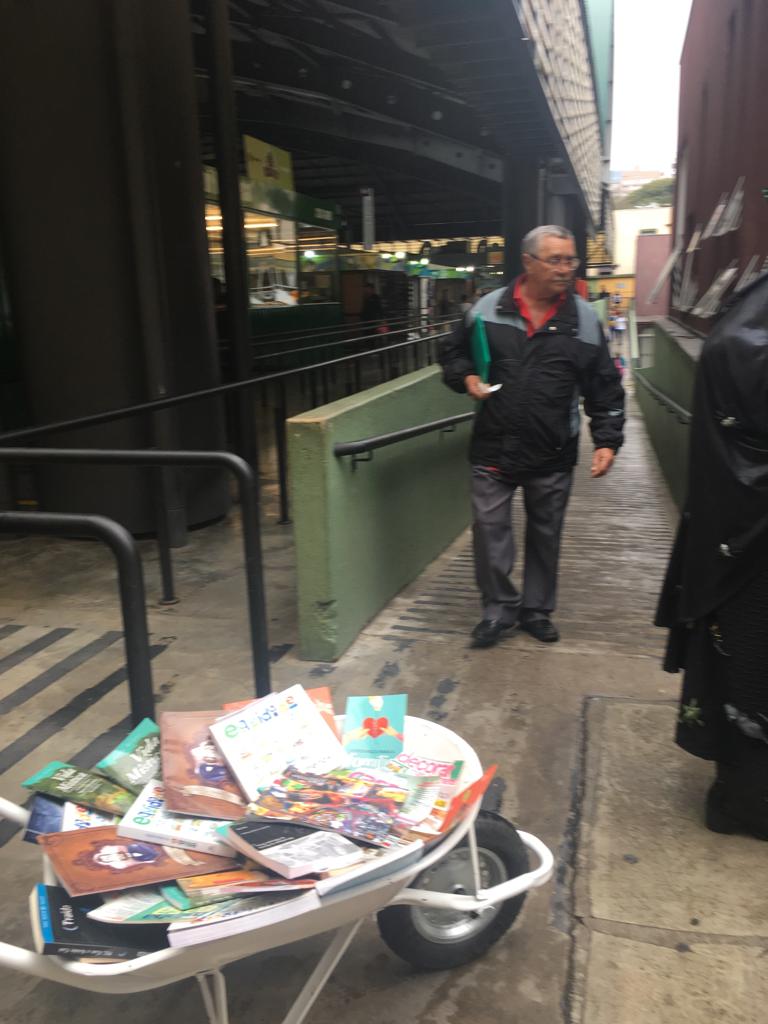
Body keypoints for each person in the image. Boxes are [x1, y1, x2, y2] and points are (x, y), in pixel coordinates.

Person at [440, 225, 625, 647]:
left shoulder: (584, 321)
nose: (566, 269)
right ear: (528, 262)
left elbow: (604, 386)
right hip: (494, 445)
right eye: (556, 259)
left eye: (570, 259)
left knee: (546, 533)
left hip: (552, 449)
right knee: (489, 532)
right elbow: (453, 352)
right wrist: (465, 375)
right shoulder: (486, 309)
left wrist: (607, 439)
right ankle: (499, 609)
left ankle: (537, 610)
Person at [656, 272, 768, 841]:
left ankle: (740, 794)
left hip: (732, 528)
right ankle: (746, 800)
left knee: (740, 664)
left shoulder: (745, 305)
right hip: (748, 541)